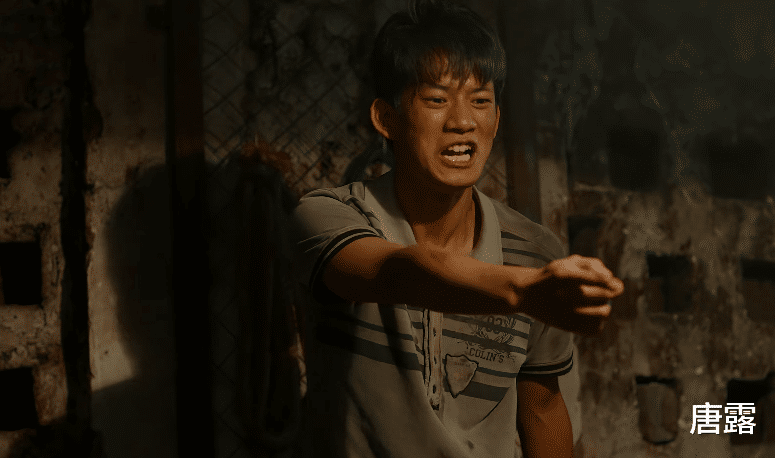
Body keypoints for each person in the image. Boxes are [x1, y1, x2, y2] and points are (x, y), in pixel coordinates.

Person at [291, 1, 624, 456]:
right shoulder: (328, 217)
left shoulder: (535, 253)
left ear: (497, 119)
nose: (463, 122)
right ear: (386, 118)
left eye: (480, 101)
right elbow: (397, 273)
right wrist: (521, 293)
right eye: (437, 100)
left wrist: (532, 288)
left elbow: (543, 410)